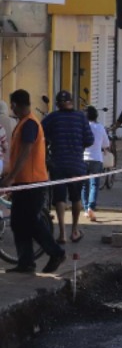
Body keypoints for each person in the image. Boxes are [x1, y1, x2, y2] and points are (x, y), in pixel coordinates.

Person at [1, 90, 65, 273]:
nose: (11, 108)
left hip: (31, 182)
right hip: (23, 182)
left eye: (12, 105)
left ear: (15, 104)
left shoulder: (29, 124)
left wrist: (11, 176)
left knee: (30, 221)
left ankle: (56, 252)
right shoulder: (23, 123)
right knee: (18, 222)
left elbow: (26, 151)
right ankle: (26, 262)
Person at [41, 90, 93, 244]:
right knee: (76, 197)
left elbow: (40, 133)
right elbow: (89, 139)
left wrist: (51, 141)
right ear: (71, 102)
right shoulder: (81, 118)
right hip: (76, 164)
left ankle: (62, 233)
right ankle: (75, 230)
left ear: (57, 104)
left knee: (59, 198)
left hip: (58, 163)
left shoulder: (52, 117)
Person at [82, 106, 110, 222]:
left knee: (84, 185)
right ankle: (91, 207)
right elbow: (106, 144)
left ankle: (85, 209)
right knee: (94, 185)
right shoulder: (100, 127)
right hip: (97, 159)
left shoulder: (83, 127)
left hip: (83, 158)